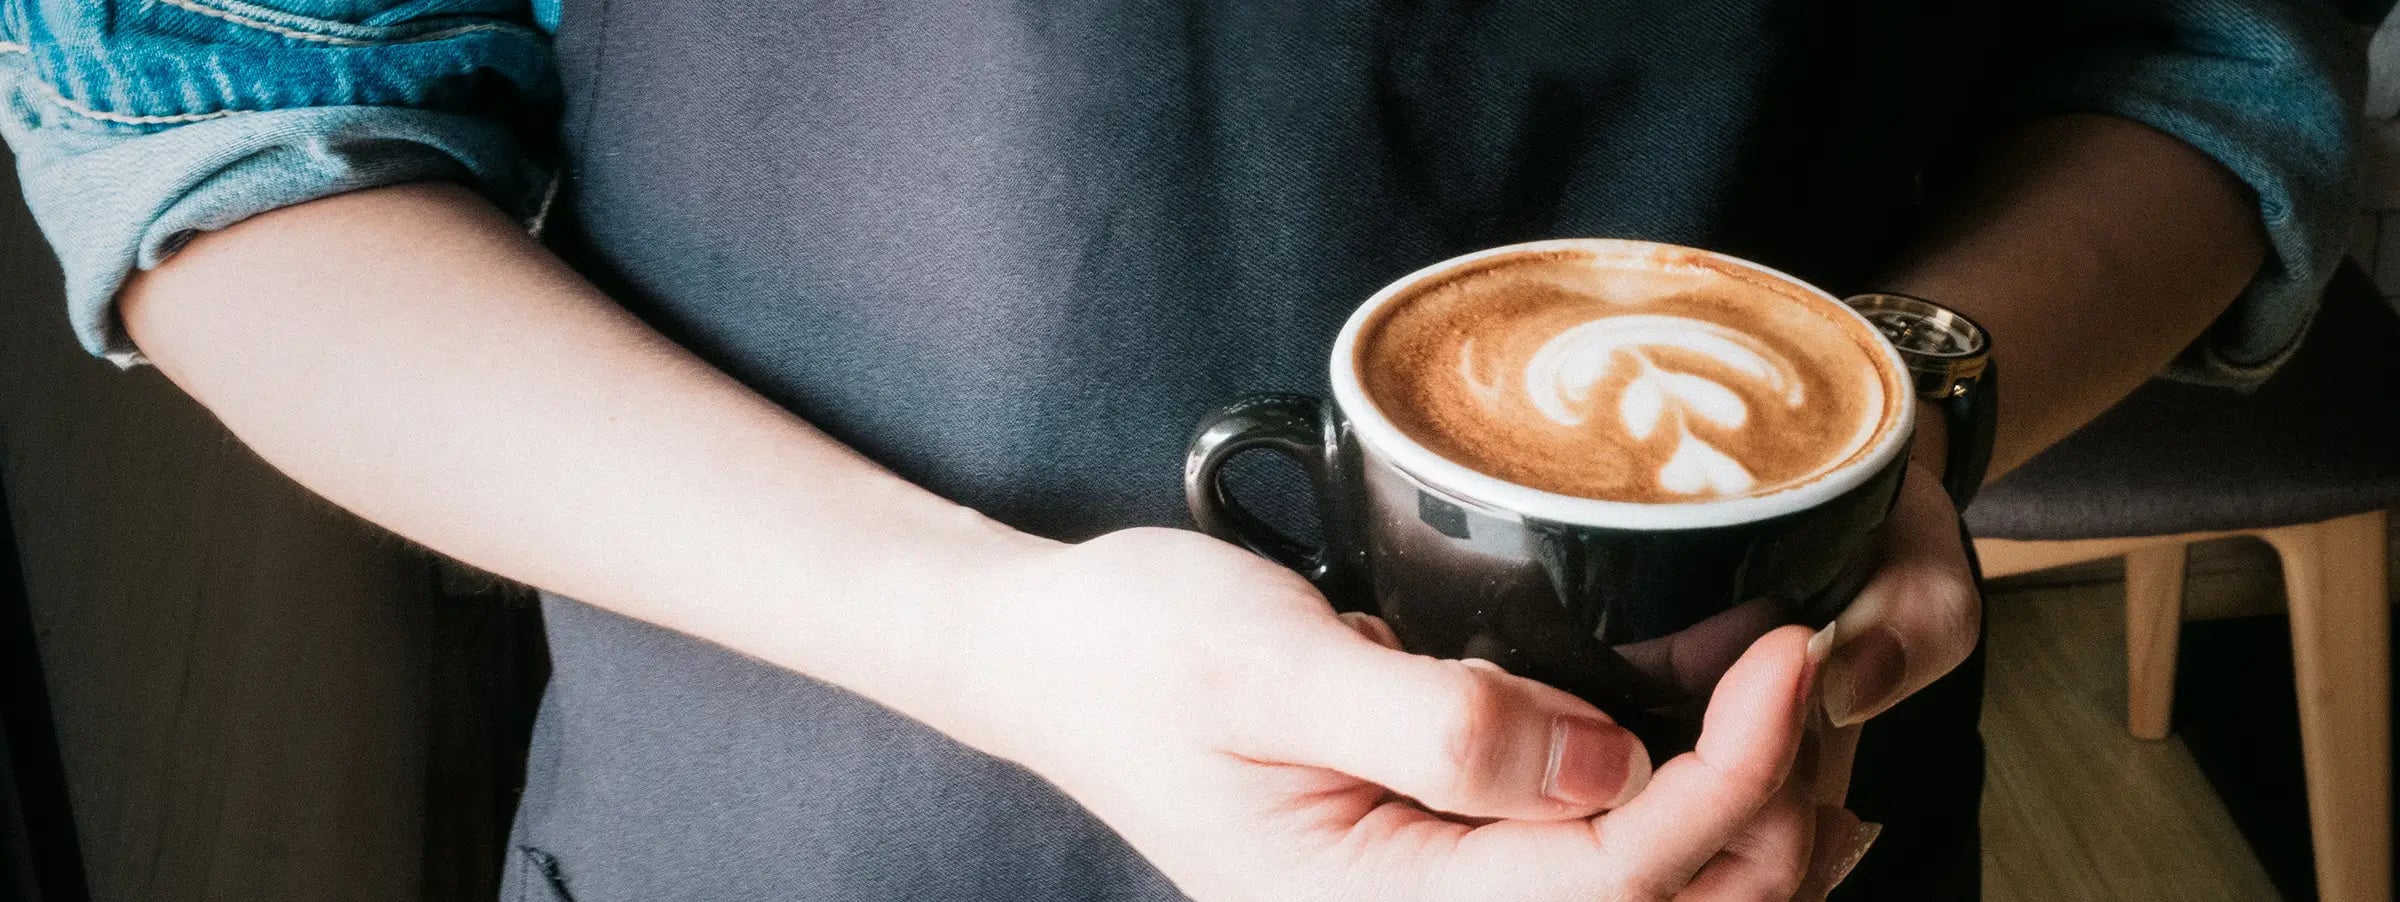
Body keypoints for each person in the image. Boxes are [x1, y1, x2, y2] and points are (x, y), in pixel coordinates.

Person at [0, 1, 2359, 899]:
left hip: (1757, 834)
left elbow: (2209, 43)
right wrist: (982, 634)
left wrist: (1915, 396)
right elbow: (228, 122)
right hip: (810, 825)